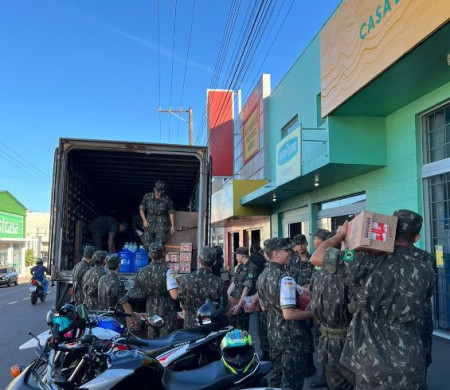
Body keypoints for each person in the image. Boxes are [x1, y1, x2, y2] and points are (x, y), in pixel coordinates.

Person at [310, 210, 435, 390]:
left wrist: (338, 236)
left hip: (371, 360)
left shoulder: (364, 261)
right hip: (410, 359)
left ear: (390, 231)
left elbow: (317, 257)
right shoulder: (426, 269)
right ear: (416, 237)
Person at [257, 237, 314, 390]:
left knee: (277, 378)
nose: (290, 253)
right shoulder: (285, 279)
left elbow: (263, 307)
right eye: (286, 250)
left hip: (274, 335)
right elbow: (289, 314)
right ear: (275, 254)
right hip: (292, 338)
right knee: (292, 383)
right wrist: (313, 313)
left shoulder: (262, 276)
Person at [309, 246, 355, 390]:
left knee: (335, 384)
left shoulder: (316, 277)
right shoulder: (347, 278)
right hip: (347, 342)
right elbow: (356, 311)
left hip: (325, 340)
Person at [120, 242, 179, 338]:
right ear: (162, 254)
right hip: (167, 311)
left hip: (150, 310)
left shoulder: (141, 272)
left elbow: (134, 293)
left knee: (152, 342)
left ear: (149, 255)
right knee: (167, 342)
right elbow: (174, 295)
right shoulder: (168, 271)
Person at [179, 246, 228, 329]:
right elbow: (224, 306)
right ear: (214, 262)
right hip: (210, 325)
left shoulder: (186, 279)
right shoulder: (218, 281)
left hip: (190, 325)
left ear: (198, 260)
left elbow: (182, 304)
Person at [289, 234, 317, 377]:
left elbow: (315, 279)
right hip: (293, 301)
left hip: (307, 302)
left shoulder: (313, 260)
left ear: (306, 244)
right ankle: (299, 363)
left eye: (302, 243)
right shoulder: (291, 260)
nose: (300, 246)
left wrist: (308, 287)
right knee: (295, 334)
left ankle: (310, 365)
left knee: (307, 334)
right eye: (297, 244)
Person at [309, 228, 331, 389]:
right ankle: (326, 375)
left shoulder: (326, 255)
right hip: (319, 309)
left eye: (315, 239)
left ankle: (328, 378)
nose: (313, 241)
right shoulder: (319, 254)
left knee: (327, 347)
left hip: (328, 312)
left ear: (322, 240)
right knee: (322, 346)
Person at [227, 247, 258, 332]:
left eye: (237, 255)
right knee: (231, 328)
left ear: (242, 255)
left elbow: (247, 288)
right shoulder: (240, 266)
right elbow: (233, 283)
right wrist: (226, 298)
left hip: (243, 304)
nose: (236, 257)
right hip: (234, 301)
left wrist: (239, 305)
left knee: (241, 330)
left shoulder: (252, 267)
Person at [139, 180, 175, 249]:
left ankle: (158, 259)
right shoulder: (147, 197)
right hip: (149, 224)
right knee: (146, 243)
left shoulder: (166, 199)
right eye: (158, 192)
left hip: (161, 225)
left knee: (159, 245)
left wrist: (172, 226)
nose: (159, 194)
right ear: (154, 189)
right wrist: (144, 220)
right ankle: (150, 258)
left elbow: (171, 212)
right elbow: (141, 209)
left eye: (161, 192)